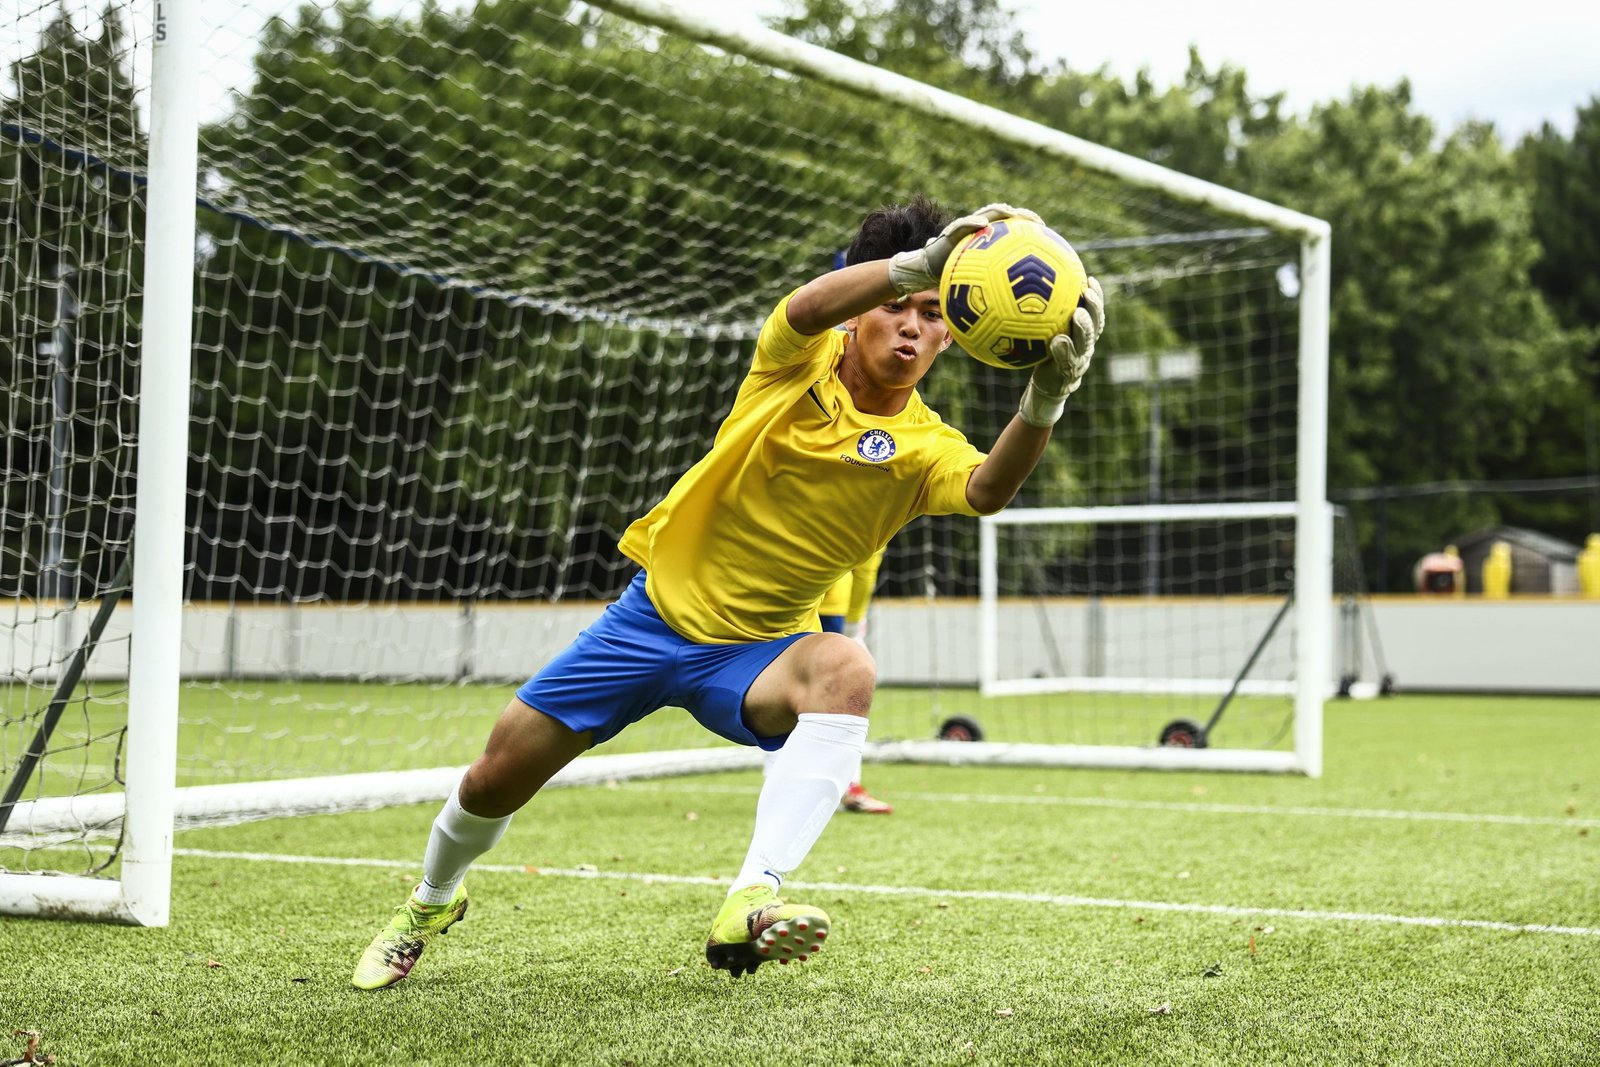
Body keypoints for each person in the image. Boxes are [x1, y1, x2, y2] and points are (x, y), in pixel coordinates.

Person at [351, 195, 1105, 987]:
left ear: (956, 332)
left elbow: (986, 490)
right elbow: (804, 308)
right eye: (894, 306)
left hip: (755, 658)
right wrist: (917, 267)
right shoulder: (796, 360)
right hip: (646, 623)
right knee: (491, 780)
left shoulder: (924, 447)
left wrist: (1046, 399)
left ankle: (751, 898)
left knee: (846, 665)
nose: (911, 327)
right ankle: (431, 899)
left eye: (931, 313)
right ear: (861, 309)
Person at [816, 550, 893, 814]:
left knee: (789, 695)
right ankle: (848, 786)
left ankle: (782, 784)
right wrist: (854, 622)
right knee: (846, 698)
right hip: (831, 607)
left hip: (787, 602)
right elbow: (867, 566)